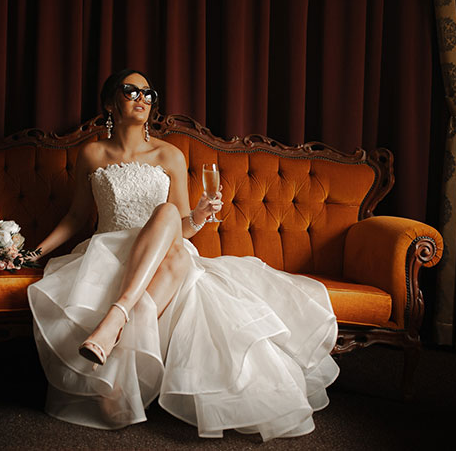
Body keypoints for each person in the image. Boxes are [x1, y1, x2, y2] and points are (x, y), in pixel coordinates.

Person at [27, 69, 339, 440]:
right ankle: (123, 336)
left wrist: (201, 215)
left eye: (148, 93)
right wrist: (32, 252)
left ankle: (115, 328)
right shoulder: (92, 153)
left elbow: (180, 223)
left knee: (168, 215)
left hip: (167, 249)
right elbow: (77, 217)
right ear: (111, 102)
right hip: (109, 252)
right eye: (131, 91)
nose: (142, 98)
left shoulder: (169, 154)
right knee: (172, 244)